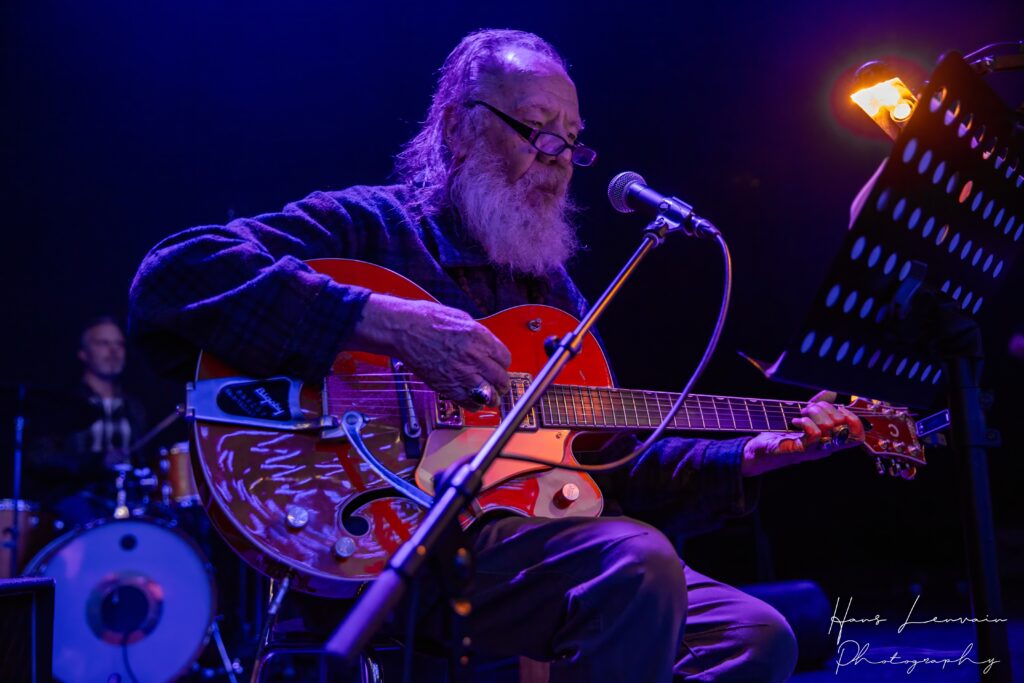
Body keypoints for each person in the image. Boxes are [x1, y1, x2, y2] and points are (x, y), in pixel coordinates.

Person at [129, 29, 865, 682]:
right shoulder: (370, 225)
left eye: (572, 141)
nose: (559, 160)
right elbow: (173, 276)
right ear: (458, 128)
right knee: (633, 560)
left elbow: (610, 465)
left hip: (523, 546)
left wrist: (747, 456)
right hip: (387, 540)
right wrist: (385, 322)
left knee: (752, 636)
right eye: (537, 131)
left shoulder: (553, 295)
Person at [26, 316, 147, 526]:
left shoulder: (133, 408)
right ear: (83, 353)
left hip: (126, 501)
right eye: (103, 343)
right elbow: (41, 457)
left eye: (119, 344)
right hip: (77, 499)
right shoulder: (64, 404)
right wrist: (97, 462)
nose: (113, 351)